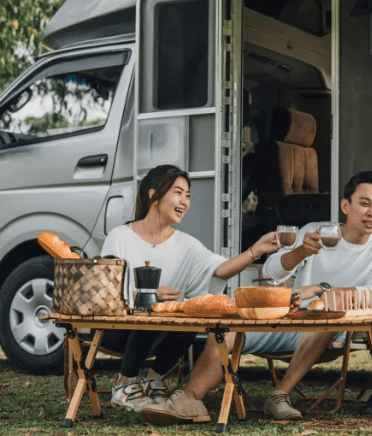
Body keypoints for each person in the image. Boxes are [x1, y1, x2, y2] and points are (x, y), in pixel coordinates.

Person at [141, 171, 372, 424]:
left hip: (335, 326)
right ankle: (189, 399)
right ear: (345, 205)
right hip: (288, 317)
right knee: (227, 328)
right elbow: (271, 271)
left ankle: (279, 394)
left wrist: (321, 289)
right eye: (364, 204)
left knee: (324, 318)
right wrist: (299, 252)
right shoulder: (316, 231)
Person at [100, 164, 279, 412]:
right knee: (150, 307)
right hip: (116, 329)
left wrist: (255, 251)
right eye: (178, 192)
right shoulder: (119, 236)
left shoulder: (186, 244)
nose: (184, 201)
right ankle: (124, 385)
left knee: (190, 312)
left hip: (158, 333)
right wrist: (147, 295)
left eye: (188, 196)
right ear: (154, 194)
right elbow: (105, 291)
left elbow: (220, 269)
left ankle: (153, 379)